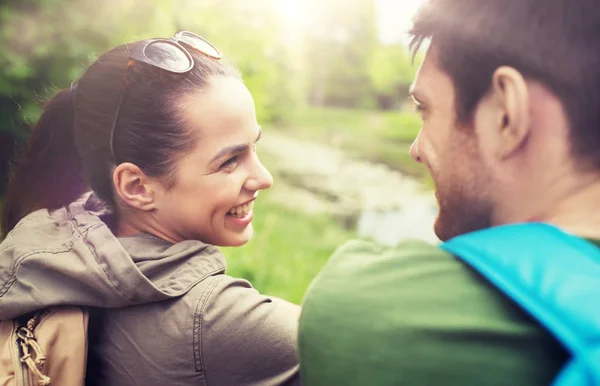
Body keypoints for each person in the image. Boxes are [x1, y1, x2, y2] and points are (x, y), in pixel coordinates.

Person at [297, 0, 600, 384]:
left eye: (425, 109)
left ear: (506, 114)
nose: (415, 148)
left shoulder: (367, 314)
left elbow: (335, 307)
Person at [0, 31, 300, 385]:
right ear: (138, 187)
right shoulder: (220, 323)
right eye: (230, 161)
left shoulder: (46, 255)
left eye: (254, 147)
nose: (263, 178)